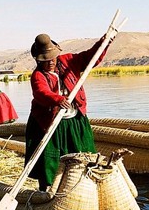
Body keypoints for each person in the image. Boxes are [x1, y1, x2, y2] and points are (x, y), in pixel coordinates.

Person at [25, 33, 112, 191]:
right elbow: (40, 92)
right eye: (45, 60)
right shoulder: (37, 75)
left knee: (83, 152)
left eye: (52, 57)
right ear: (38, 60)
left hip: (73, 118)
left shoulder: (68, 60)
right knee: (50, 159)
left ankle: (83, 186)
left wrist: (103, 44)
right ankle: (48, 189)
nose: (50, 62)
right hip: (49, 121)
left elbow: (90, 57)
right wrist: (57, 99)